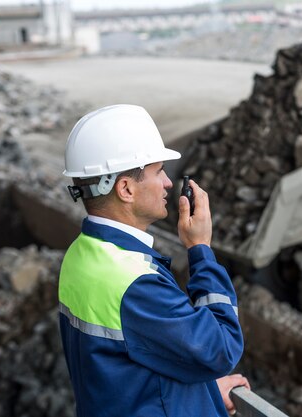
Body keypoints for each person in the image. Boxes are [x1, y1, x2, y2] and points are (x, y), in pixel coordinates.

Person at [58, 104, 248, 417]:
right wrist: (200, 248)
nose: (168, 183)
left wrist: (205, 392)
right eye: (158, 171)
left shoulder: (80, 255)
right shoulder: (135, 284)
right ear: (126, 189)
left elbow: (134, 366)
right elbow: (220, 350)